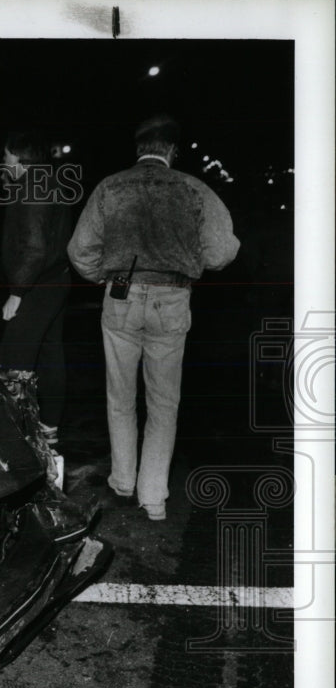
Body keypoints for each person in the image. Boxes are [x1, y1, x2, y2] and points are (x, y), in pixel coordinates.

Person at [67, 116, 239, 521]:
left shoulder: (110, 186)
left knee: (120, 397)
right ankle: (154, 497)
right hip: (172, 297)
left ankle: (123, 481)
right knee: (164, 403)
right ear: (171, 152)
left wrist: (104, 277)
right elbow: (222, 251)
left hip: (120, 298)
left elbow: (79, 249)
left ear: (138, 150)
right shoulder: (194, 189)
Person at [0, 131, 74, 442]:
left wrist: (17, 291)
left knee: (12, 358)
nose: (2, 162)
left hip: (36, 285)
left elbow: (36, 248)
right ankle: (48, 429)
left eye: (5, 156)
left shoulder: (31, 187)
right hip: (56, 280)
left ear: (19, 159)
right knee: (50, 354)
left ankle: (15, 435)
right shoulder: (50, 181)